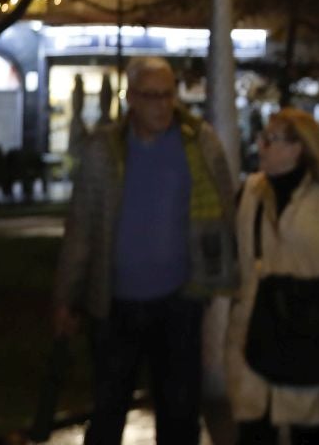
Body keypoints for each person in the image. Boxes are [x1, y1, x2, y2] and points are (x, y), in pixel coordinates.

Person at [53, 56, 239, 445]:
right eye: (152, 96)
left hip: (179, 301)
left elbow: (223, 206)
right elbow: (82, 227)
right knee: (108, 410)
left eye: (168, 94)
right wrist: (67, 297)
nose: (162, 105)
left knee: (179, 414)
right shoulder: (104, 150)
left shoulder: (198, 142)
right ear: (132, 98)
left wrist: (217, 275)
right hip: (114, 304)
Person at [225, 108, 319, 444]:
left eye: (270, 140)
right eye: (262, 138)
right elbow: (235, 257)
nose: (260, 146)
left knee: (311, 431)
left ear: (298, 147)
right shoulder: (249, 193)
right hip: (253, 333)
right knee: (254, 429)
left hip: (310, 335)